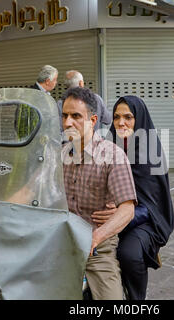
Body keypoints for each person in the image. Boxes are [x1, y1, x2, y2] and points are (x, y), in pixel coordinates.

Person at [91, 96, 174, 300]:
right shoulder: (107, 145)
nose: (121, 122)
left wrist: (119, 217)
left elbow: (150, 204)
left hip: (144, 219)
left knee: (129, 255)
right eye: (117, 117)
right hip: (107, 214)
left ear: (140, 119)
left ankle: (136, 298)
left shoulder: (151, 152)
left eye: (128, 117)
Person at [61, 87, 137, 300]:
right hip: (60, 241)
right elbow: (33, 190)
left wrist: (96, 237)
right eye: (65, 115)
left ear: (93, 120)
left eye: (76, 116)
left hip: (97, 248)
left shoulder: (113, 155)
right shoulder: (58, 155)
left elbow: (127, 208)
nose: (68, 123)